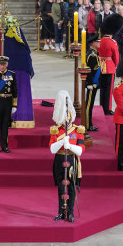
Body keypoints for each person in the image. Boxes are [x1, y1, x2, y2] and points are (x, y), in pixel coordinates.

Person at [49, 90, 85, 223]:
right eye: (64, 119)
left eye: (68, 118)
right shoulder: (56, 130)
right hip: (59, 159)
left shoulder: (77, 130)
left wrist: (70, 146)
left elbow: (81, 150)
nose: (67, 121)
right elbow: (52, 149)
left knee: (71, 187)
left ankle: (70, 213)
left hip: (71, 159)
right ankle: (60, 211)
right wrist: (60, 142)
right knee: (60, 187)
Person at [97, 14, 122, 115]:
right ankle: (107, 109)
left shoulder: (100, 41)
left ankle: (102, 106)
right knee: (109, 89)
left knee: (102, 88)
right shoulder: (113, 42)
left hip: (101, 66)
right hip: (110, 67)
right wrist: (116, 65)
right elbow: (116, 57)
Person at [84, 34, 100, 131]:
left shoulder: (95, 53)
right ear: (93, 43)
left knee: (91, 103)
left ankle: (89, 122)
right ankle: (87, 124)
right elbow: (89, 70)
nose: (99, 43)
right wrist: (89, 83)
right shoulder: (92, 55)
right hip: (91, 83)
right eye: (98, 42)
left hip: (95, 83)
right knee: (89, 104)